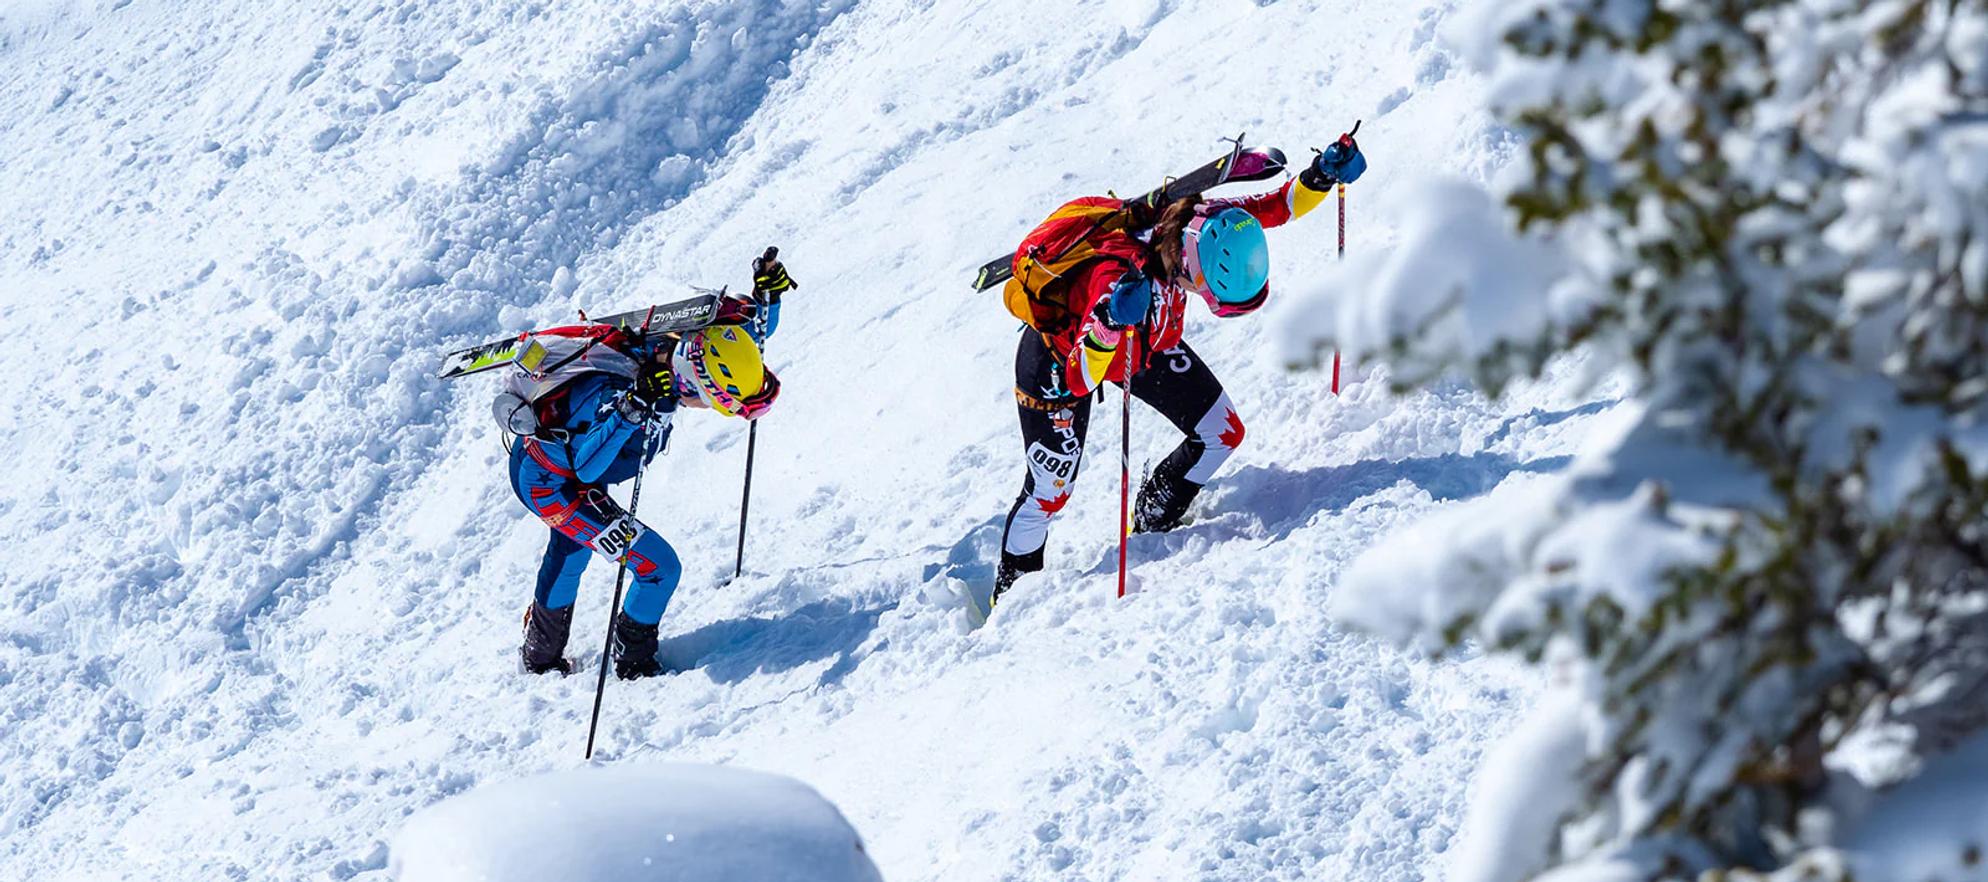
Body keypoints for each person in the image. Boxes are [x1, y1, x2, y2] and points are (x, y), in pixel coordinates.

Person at [993, 139, 1368, 603]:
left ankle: (1151, 522)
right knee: (1049, 493)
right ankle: (1010, 602)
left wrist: (1320, 177)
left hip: (1143, 345)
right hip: (1062, 362)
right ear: (1189, 264)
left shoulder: (1198, 222)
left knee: (1222, 432)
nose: (1203, 295)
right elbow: (1079, 380)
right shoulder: (1116, 278)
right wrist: (1110, 322)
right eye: (1207, 287)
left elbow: (1274, 207)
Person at [507, 255, 797, 678]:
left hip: (566, 462)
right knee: (656, 567)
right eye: (710, 400)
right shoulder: (626, 392)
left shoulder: (684, 346)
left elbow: (747, 337)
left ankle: (540, 654)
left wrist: (767, 298)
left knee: (571, 550)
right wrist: (631, 408)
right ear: (691, 382)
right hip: (549, 483)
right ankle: (633, 664)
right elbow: (587, 468)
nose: (705, 407)